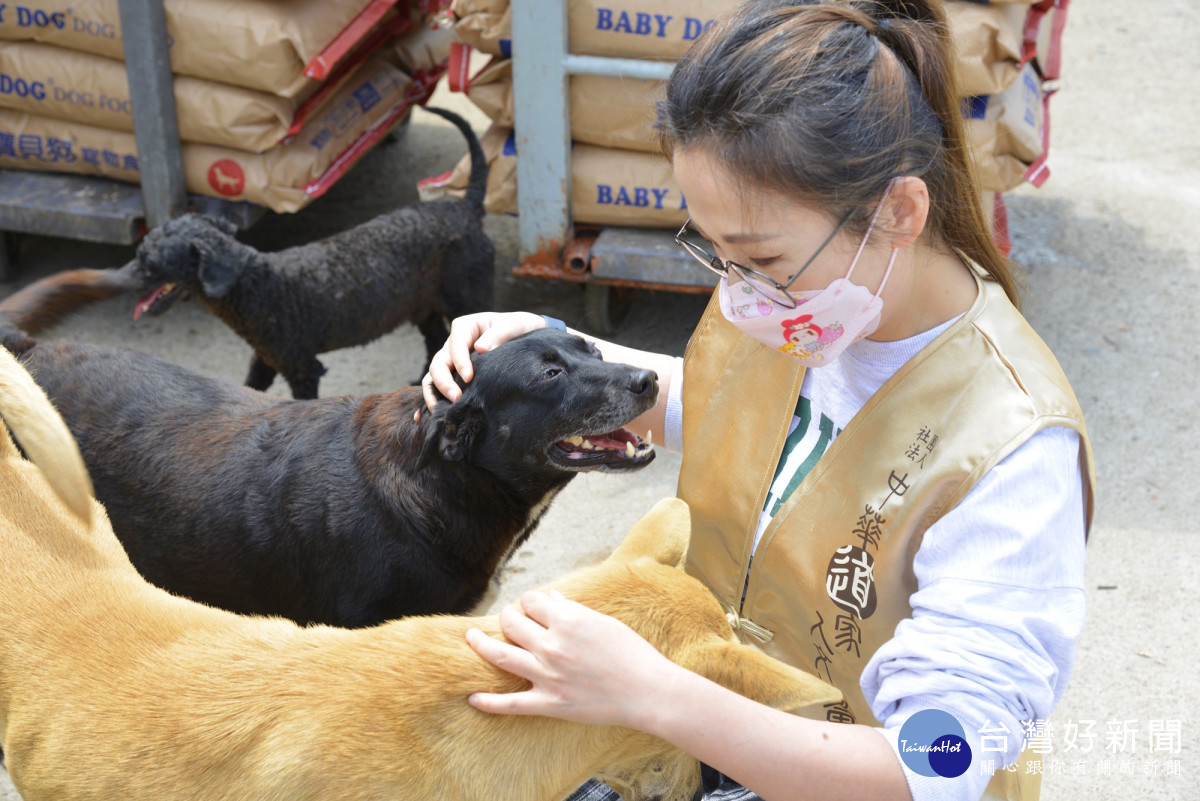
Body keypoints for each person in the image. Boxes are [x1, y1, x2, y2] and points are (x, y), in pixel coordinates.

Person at [421, 1, 1095, 799]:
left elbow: (935, 764)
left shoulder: (1012, 451)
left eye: (757, 257)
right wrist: (553, 352)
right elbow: (728, 418)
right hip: (716, 727)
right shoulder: (802, 300)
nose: (735, 293)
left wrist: (653, 694)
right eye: (715, 251)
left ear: (900, 211)